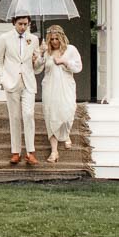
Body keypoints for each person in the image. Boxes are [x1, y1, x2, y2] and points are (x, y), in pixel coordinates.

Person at [0, 13, 42, 166]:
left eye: (25, 24)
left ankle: (30, 152)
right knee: (14, 116)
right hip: (11, 82)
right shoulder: (4, 38)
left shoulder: (33, 39)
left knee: (28, 114)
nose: (23, 27)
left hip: (28, 82)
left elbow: (37, 67)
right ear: (14, 23)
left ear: (29, 24)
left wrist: (40, 58)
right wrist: (2, 79)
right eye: (20, 24)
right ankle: (16, 152)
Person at [38, 24, 83, 163]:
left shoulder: (71, 50)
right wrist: (39, 54)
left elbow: (78, 67)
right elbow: (36, 69)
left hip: (66, 87)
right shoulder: (46, 51)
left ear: (62, 38)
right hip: (49, 88)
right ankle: (54, 151)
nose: (54, 42)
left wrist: (65, 61)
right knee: (51, 116)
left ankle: (66, 134)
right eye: (51, 39)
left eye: (57, 39)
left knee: (67, 112)